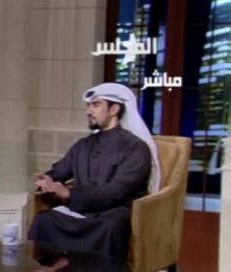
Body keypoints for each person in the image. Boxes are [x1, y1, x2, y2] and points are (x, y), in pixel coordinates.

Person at [28, 82, 159, 260]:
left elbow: (116, 191)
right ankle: (51, 271)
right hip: (82, 210)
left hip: (114, 213)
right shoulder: (83, 145)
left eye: (96, 105)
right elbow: (60, 170)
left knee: (109, 228)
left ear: (114, 109)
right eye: (88, 105)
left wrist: (69, 193)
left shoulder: (136, 148)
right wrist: (47, 180)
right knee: (44, 220)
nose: (88, 111)